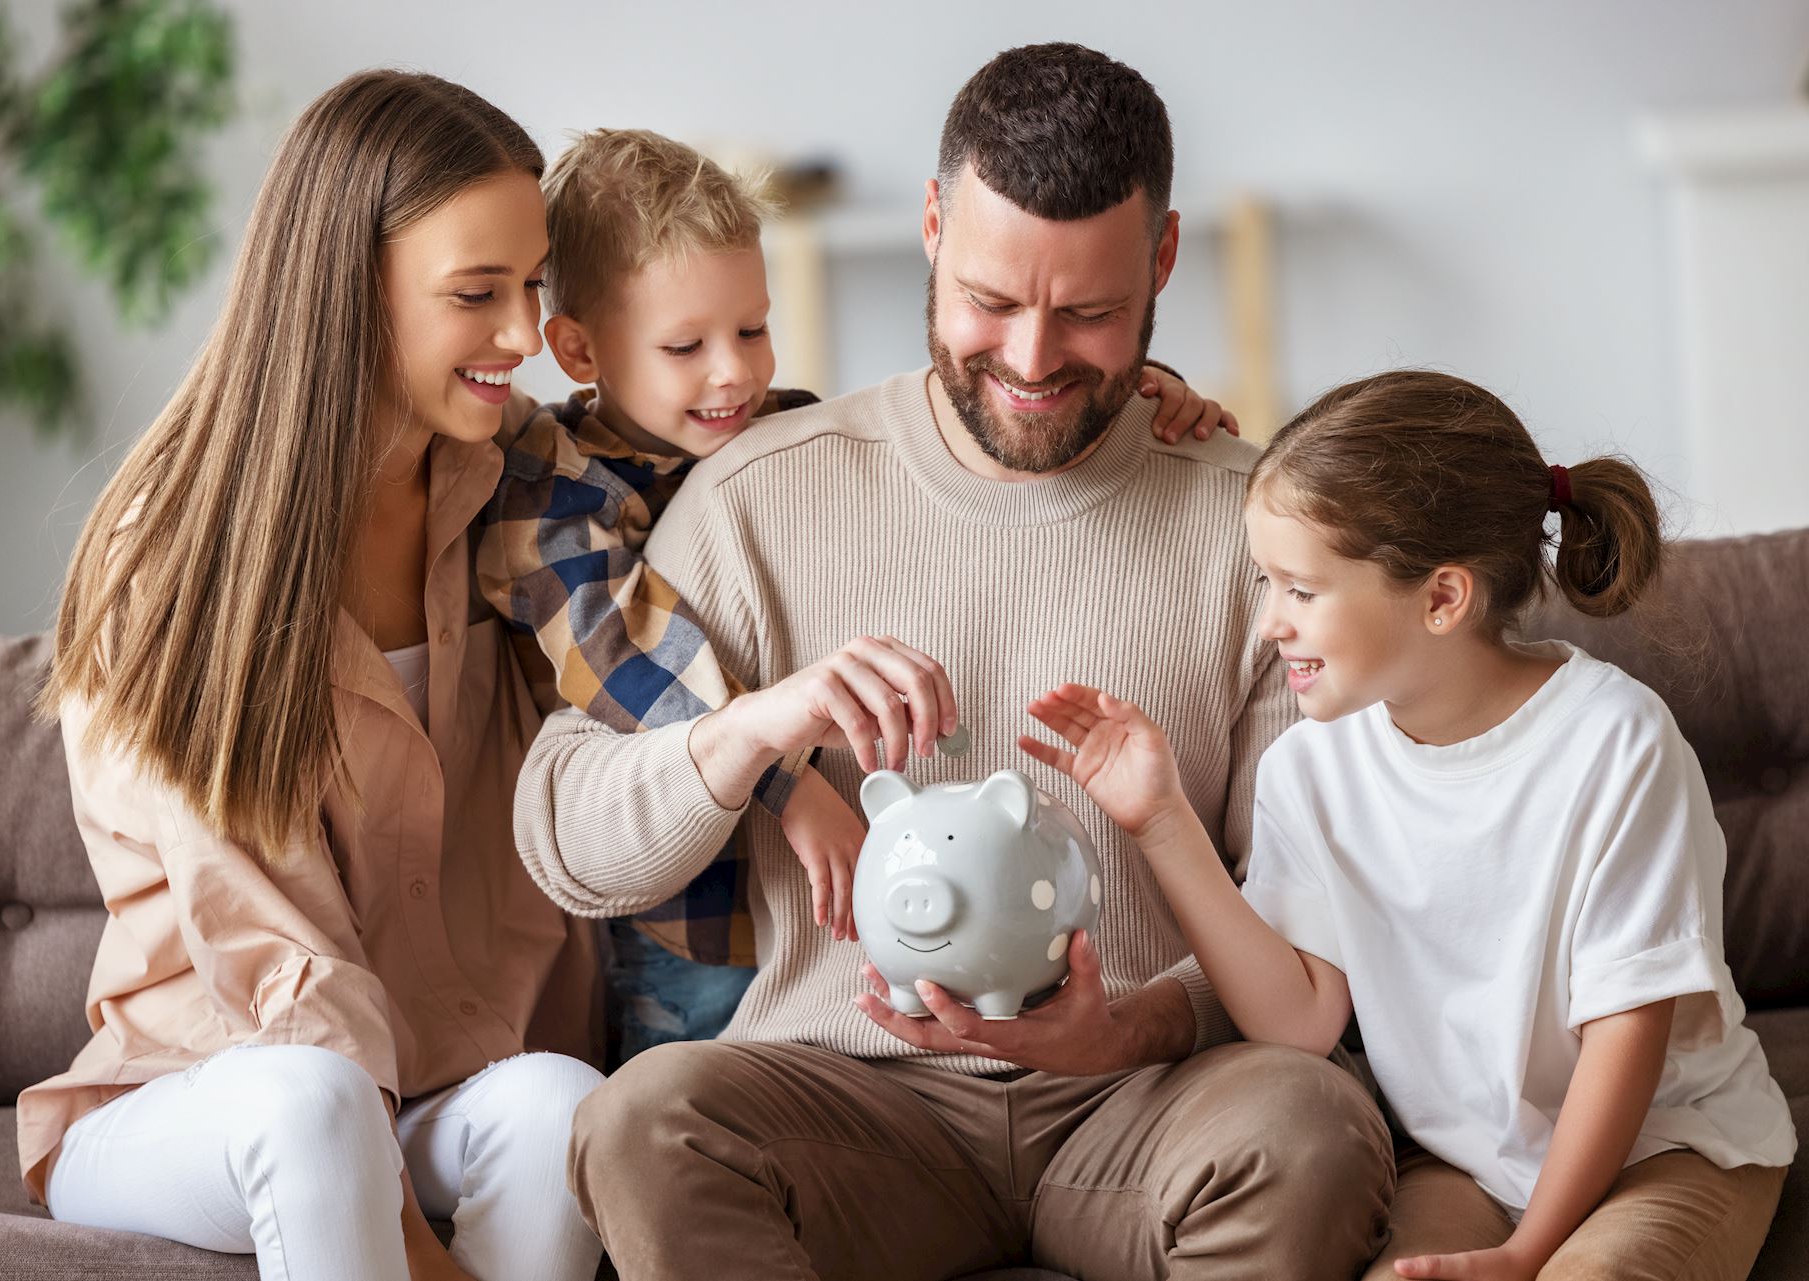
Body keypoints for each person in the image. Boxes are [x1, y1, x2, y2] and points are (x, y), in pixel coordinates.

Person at [516, 44, 1393, 1281]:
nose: (1033, 361)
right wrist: (754, 729)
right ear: (932, 228)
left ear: (1164, 260)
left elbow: (1313, 915)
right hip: (848, 1102)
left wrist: (1132, 1024)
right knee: (642, 1121)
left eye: (1088, 313)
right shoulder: (752, 494)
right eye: (991, 301)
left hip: (1152, 1099)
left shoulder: (1254, 525)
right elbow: (567, 843)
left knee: (1310, 1128)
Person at [477, 126, 1232, 1063]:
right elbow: (634, 670)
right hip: (689, 917)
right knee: (689, 1084)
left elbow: (972, 404)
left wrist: (1136, 391)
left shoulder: (775, 435)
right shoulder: (554, 503)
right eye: (686, 345)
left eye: (752, 329)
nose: (736, 373)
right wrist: (793, 788)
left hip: (805, 919)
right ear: (578, 348)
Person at [23, 71, 604, 1281]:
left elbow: (705, 446)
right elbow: (266, 943)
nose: (522, 335)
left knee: (558, 1106)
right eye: (476, 294)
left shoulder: (516, 490)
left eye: (533, 285)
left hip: (440, 1078)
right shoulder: (175, 552)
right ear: (353, 286)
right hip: (198, 1090)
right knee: (312, 1102)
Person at [1030, 369, 1795, 1281]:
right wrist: (1160, 821)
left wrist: (1525, 1253)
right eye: (1263, 583)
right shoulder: (1310, 770)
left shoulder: (1614, 743)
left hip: (1667, 1148)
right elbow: (1300, 1019)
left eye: (1300, 590)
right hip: (1470, 1161)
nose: (1270, 622)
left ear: (1442, 599)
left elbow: (1625, 1040)